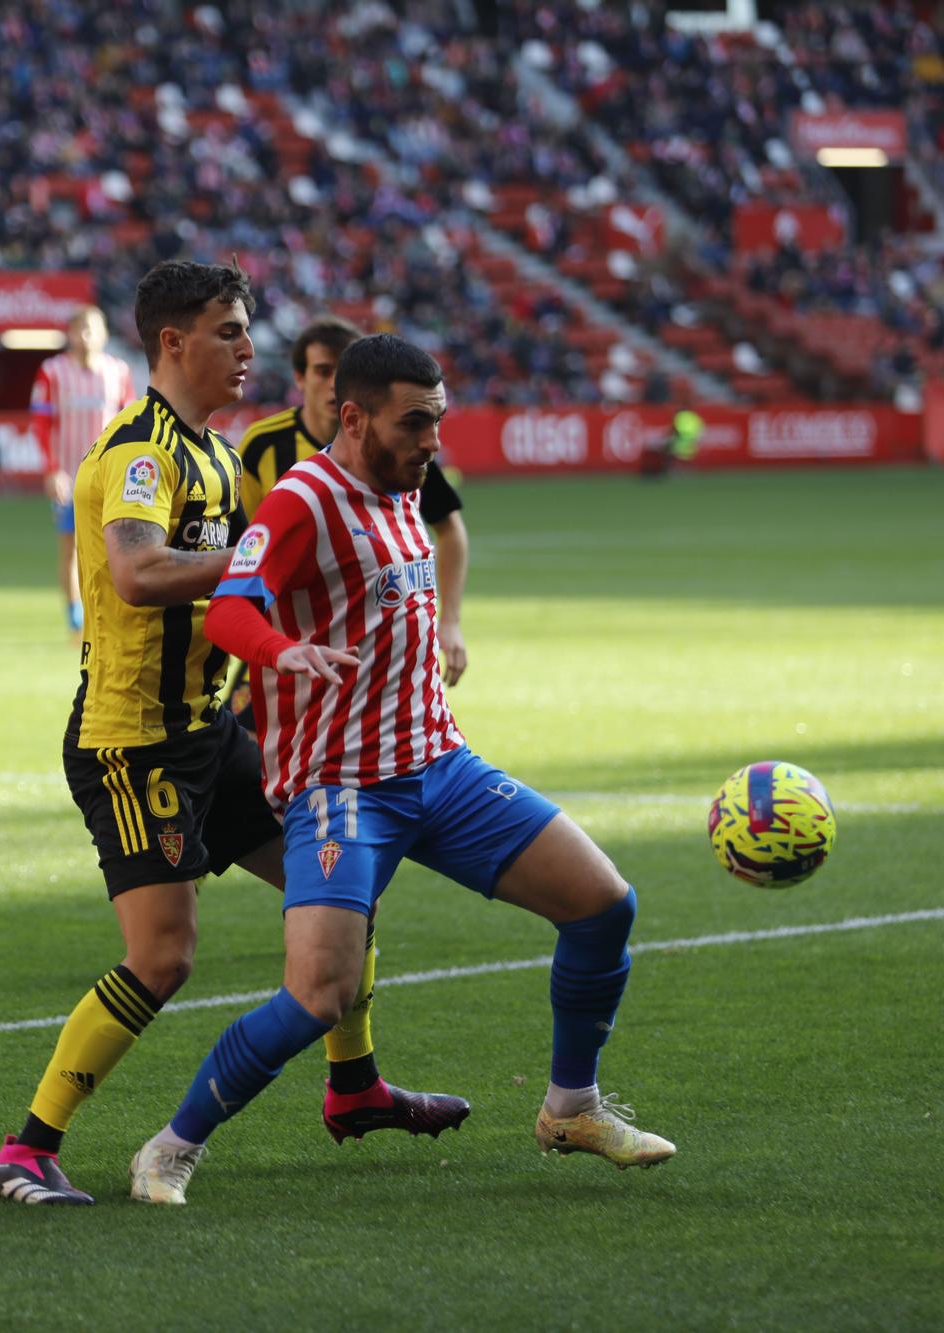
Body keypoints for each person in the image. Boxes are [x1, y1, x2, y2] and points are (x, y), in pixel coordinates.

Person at [128, 335, 674, 1206]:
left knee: (605, 904)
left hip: (442, 766)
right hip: (343, 789)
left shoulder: (406, 487)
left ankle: (572, 1107)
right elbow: (231, 607)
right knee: (318, 995)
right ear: (354, 417)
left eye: (439, 421)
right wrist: (282, 652)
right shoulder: (305, 497)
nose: (432, 440)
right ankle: (171, 1145)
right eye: (415, 423)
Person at [0, 266, 465, 1208]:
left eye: (247, 334)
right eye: (230, 333)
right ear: (174, 343)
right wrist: (253, 563)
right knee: (164, 957)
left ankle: (354, 1085)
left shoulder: (214, 451)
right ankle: (27, 1147)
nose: (249, 351)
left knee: (343, 894)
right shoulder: (138, 452)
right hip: (137, 741)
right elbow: (134, 570)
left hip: (215, 730)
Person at [227, 315, 471, 714]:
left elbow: (451, 530)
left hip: (372, 645)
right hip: (289, 639)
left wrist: (450, 621)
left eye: (342, 372)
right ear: (300, 378)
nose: (332, 384)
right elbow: (244, 548)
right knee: (247, 751)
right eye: (323, 371)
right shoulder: (263, 445)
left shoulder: (400, 449)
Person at [29, 306, 133, 634]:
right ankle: (76, 619)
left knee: (114, 546)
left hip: (109, 478)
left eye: (91, 329)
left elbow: (128, 423)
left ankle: (109, 613)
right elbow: (40, 424)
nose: (85, 336)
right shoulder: (52, 372)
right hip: (70, 478)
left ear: (104, 334)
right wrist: (52, 469)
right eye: (79, 329)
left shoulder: (118, 371)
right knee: (72, 547)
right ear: (70, 334)